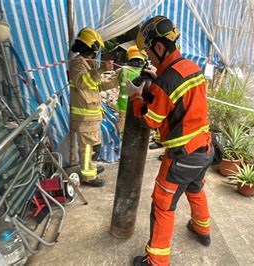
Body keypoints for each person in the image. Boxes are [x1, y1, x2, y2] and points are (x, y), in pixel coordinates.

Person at [126, 16, 214, 266]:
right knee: (195, 190)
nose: (148, 58)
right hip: (204, 148)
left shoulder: (165, 82)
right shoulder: (191, 67)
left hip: (182, 155)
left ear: (160, 47)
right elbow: (181, 95)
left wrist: (135, 98)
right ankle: (202, 230)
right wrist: (157, 76)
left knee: (163, 205)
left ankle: (156, 261)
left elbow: (150, 119)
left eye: (149, 52)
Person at [69, 28, 118, 187]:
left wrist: (115, 80)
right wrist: (101, 70)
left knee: (93, 147)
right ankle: (89, 177)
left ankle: (92, 169)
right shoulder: (77, 64)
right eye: (92, 53)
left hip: (91, 118)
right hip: (85, 119)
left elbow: (96, 86)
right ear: (87, 49)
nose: (94, 56)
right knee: (88, 148)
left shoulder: (85, 65)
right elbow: (82, 82)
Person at [116, 46, 146, 134]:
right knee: (135, 130)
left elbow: (109, 83)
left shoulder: (123, 70)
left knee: (122, 131)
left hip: (124, 106)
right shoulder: (147, 71)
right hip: (140, 106)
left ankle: (121, 143)